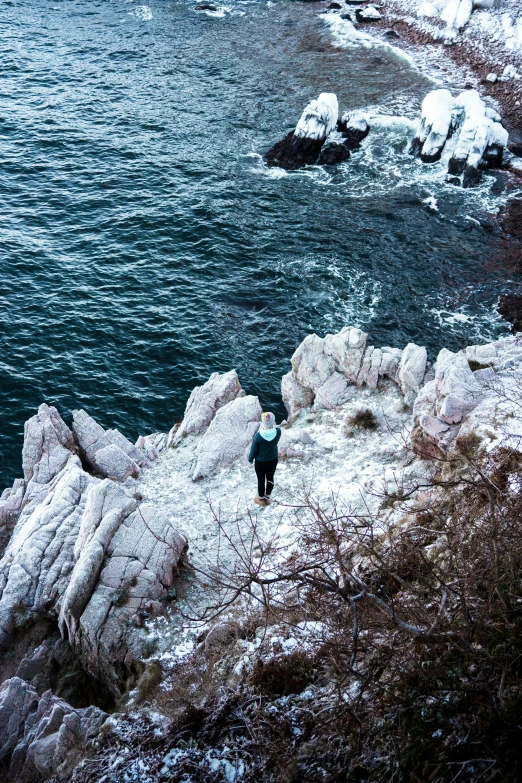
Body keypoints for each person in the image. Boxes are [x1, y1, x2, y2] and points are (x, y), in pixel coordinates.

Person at [248, 412, 281, 506]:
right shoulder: (278, 431)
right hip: (273, 459)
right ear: (273, 421)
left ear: (263, 422)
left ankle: (261, 499)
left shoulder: (258, 436)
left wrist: (250, 459)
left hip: (261, 462)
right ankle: (267, 498)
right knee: (270, 478)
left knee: (261, 480)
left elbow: (253, 450)